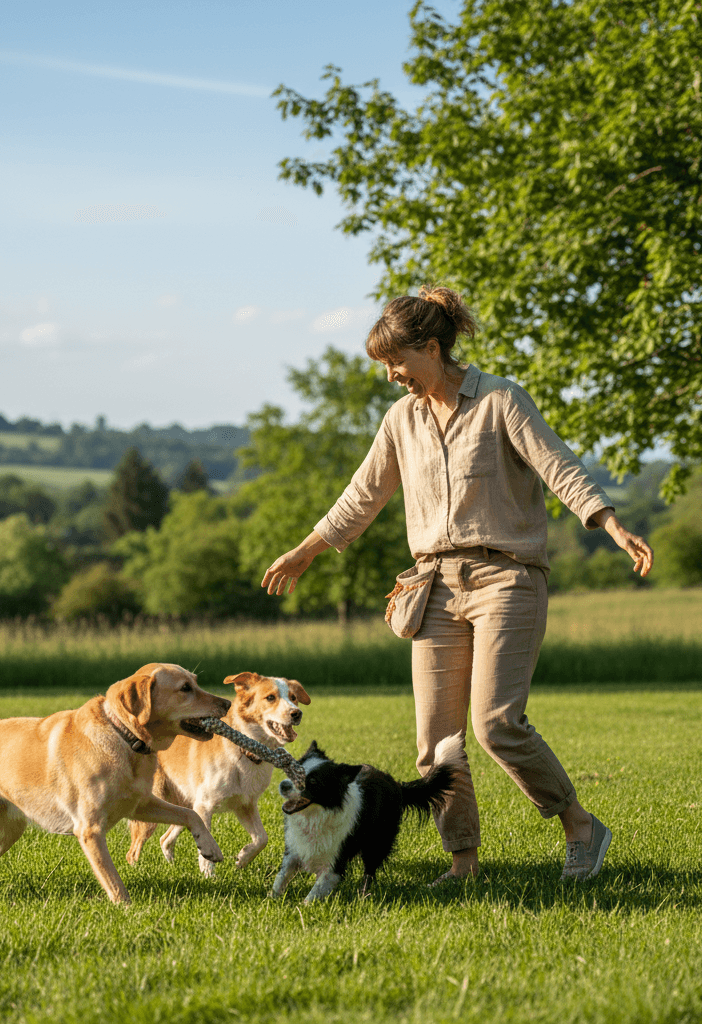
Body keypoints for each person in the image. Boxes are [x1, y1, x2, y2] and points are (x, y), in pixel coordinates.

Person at [261, 286, 654, 884]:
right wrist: (306, 550)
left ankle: (578, 823)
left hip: (507, 578)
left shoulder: (500, 400)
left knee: (495, 723)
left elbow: (559, 466)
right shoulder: (401, 421)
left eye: (397, 362)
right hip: (433, 587)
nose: (391, 376)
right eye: (384, 366)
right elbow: (362, 496)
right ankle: (463, 859)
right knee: (435, 742)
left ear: (432, 347)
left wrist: (611, 522)